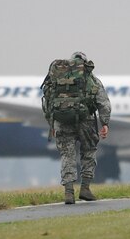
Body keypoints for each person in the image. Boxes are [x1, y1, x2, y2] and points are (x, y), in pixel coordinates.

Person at [42, 51, 111, 204]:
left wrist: (51, 124)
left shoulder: (56, 78)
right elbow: (103, 102)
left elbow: (47, 101)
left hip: (62, 122)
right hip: (85, 121)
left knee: (67, 155)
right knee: (89, 152)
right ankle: (85, 189)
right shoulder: (90, 78)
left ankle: (68, 193)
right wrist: (105, 123)